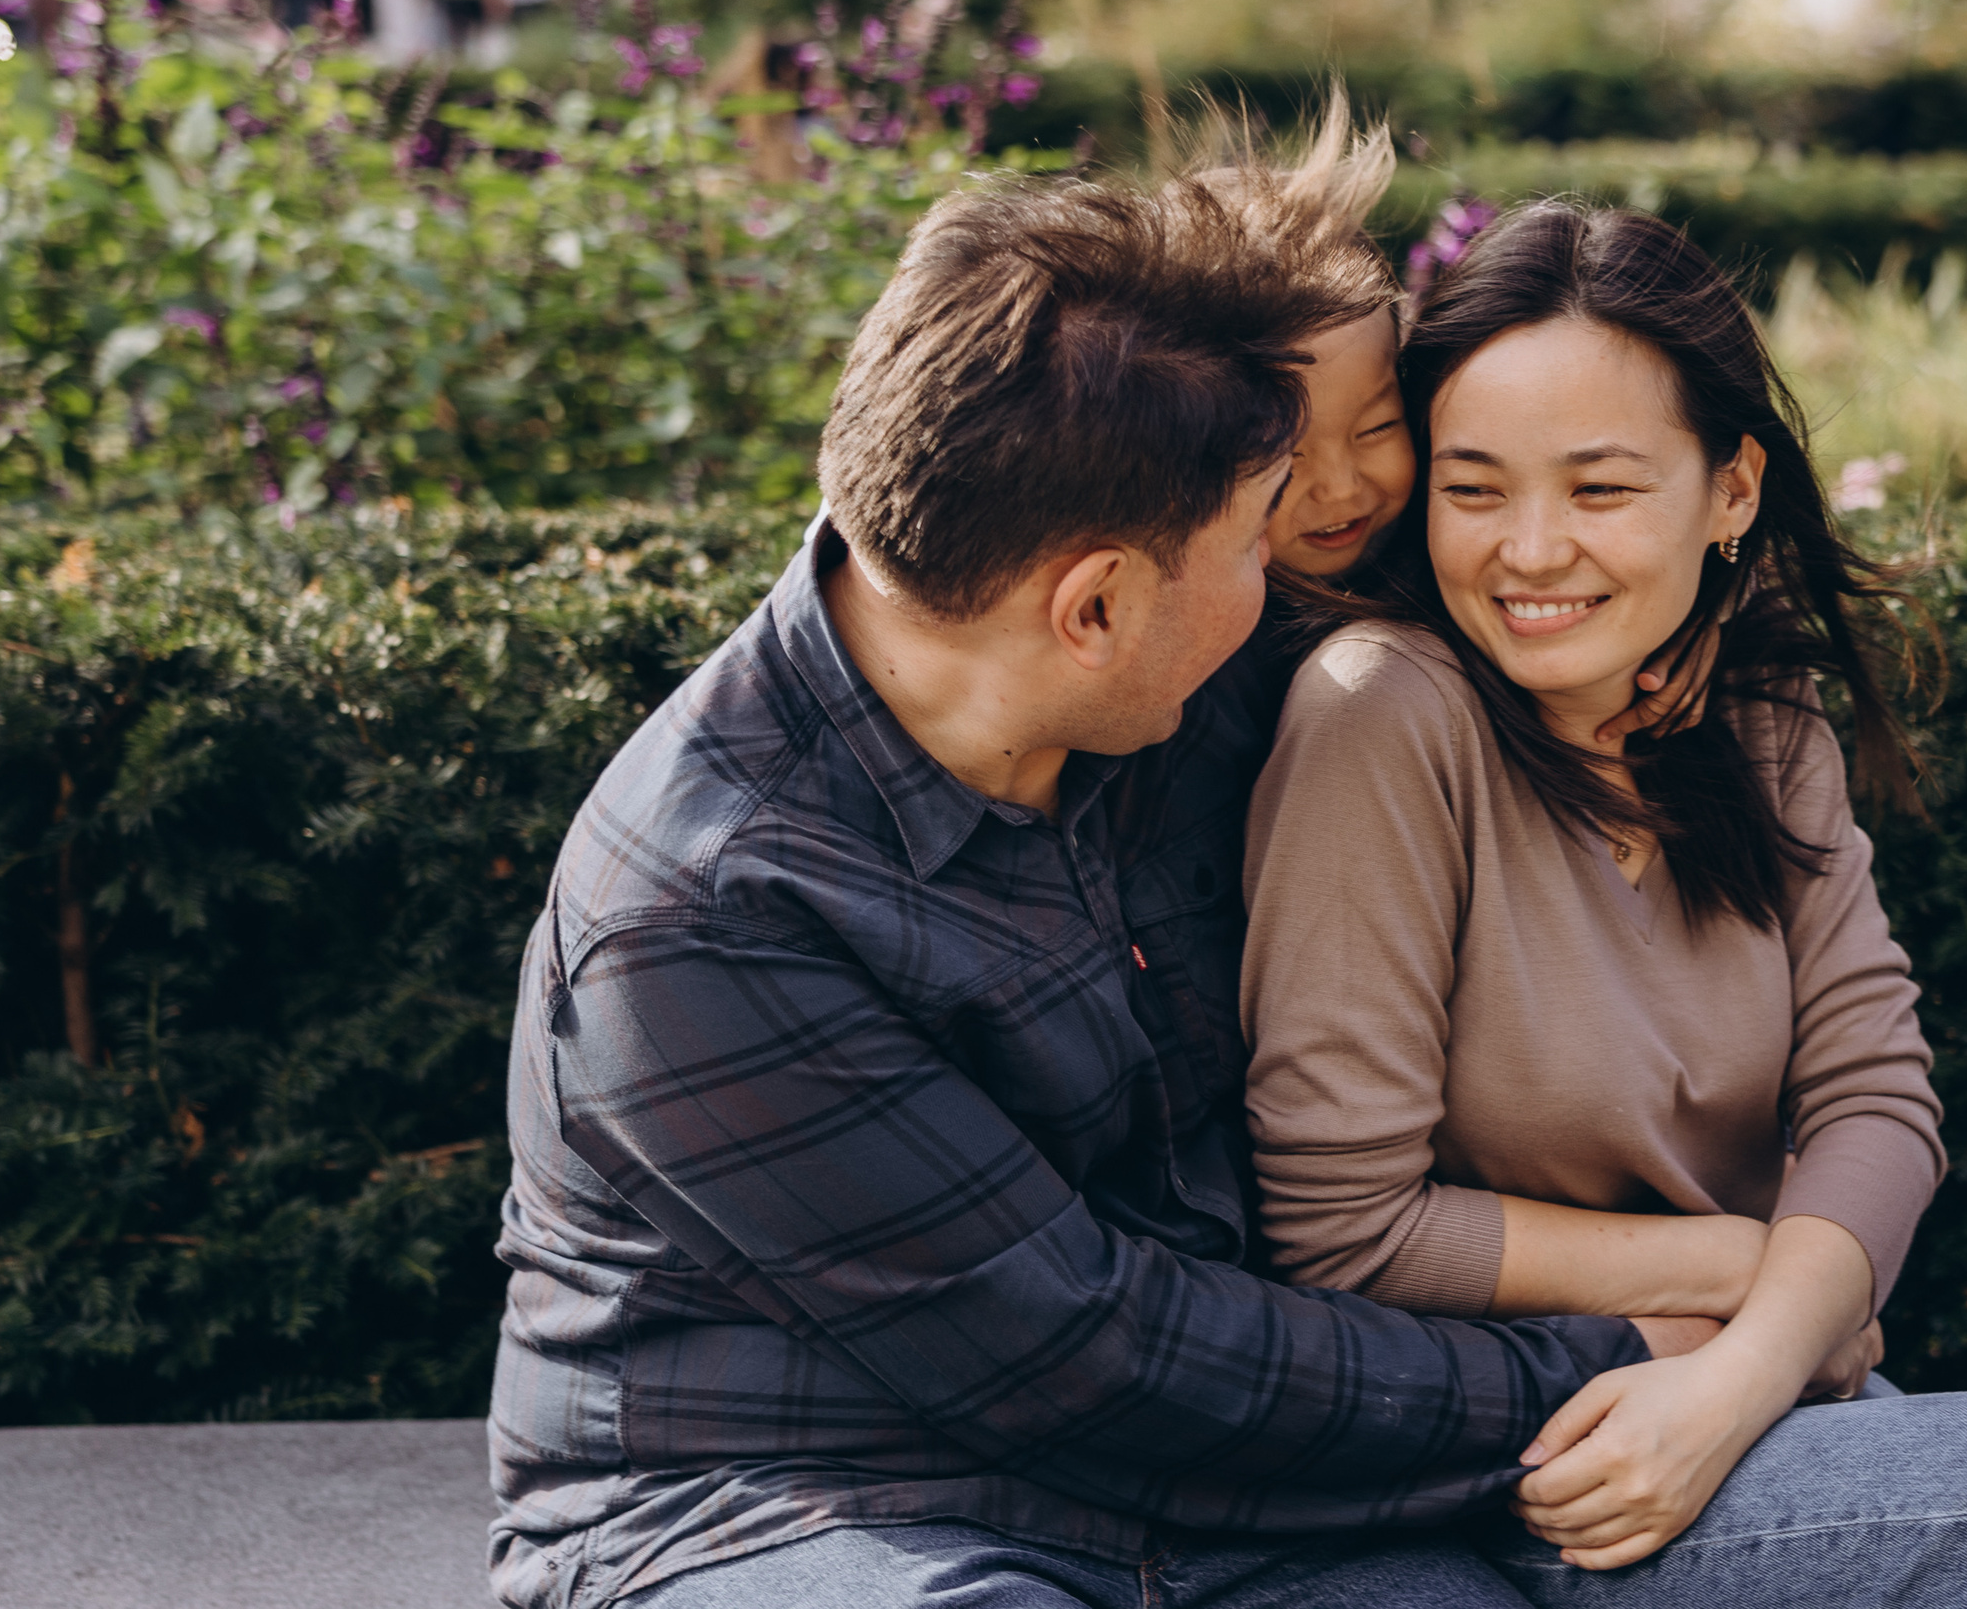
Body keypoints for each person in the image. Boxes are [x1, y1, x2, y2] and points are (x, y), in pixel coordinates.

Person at [489, 140, 1664, 1609]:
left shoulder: (1177, 687)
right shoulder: (705, 908)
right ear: (1095, 605)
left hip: (1233, 1493)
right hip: (787, 1513)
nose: (1287, 576)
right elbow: (1091, 1355)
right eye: (1255, 536)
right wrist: (1629, 1349)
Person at [1239, 199, 1967, 1604]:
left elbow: (1877, 1099)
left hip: (1750, 1412)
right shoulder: (1383, 717)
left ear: (1732, 491)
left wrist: (1748, 1367)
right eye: (1475, 486)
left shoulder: (1747, 706)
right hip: (1550, 1449)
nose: (1531, 550)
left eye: (1603, 487)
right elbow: (1344, 1227)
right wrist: (1748, 1268)